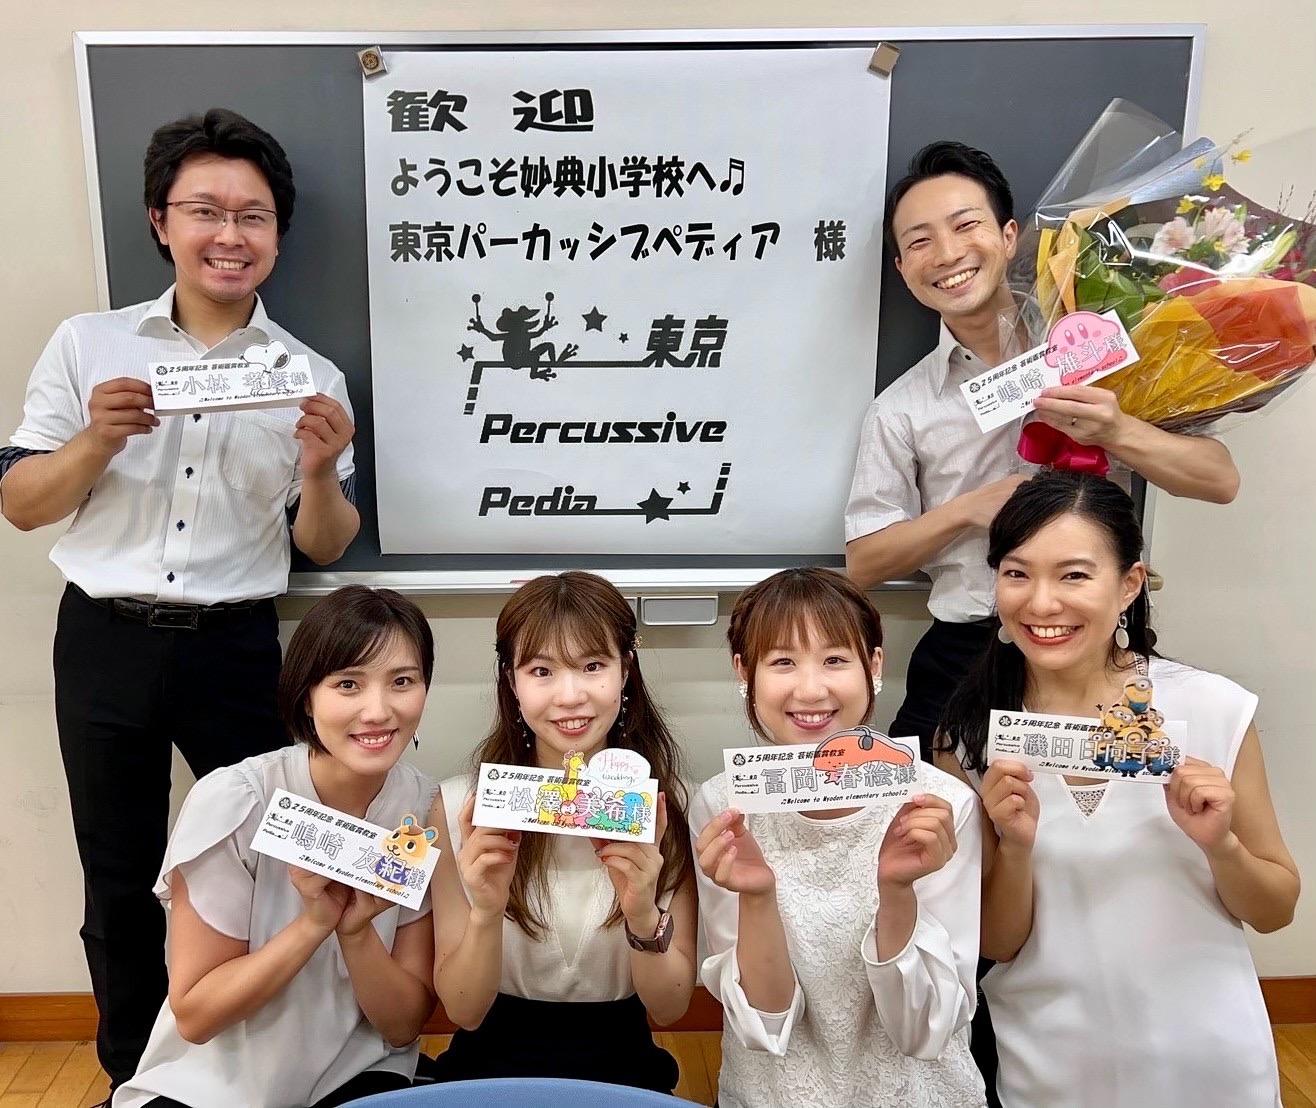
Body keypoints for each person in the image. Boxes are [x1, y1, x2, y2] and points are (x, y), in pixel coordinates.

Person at [0, 108, 359, 1095]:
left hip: (236, 645)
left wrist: (319, 470)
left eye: (253, 215)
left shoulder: (308, 374)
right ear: (161, 221)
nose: (229, 234)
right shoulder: (90, 343)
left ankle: (274, 1064)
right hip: (103, 639)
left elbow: (324, 543)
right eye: (206, 210)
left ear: (278, 235)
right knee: (118, 873)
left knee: (275, 856)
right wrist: (95, 440)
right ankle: (134, 1075)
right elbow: (21, 505)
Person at [844, 140, 1241, 764]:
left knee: (1099, 808)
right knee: (922, 808)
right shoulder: (901, 407)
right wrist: (968, 510)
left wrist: (1116, 429)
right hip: (965, 650)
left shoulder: (1106, 347)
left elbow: (1219, 481)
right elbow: (864, 562)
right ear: (902, 267)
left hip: (1091, 639)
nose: (946, 254)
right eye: (920, 241)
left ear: (1010, 237)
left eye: (965, 225)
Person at [934, 472, 1299, 1108]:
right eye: (1017, 573)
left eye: (1074, 575)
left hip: (1210, 1059)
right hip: (1051, 1066)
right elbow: (997, 943)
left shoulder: (1212, 709)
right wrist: (1015, 846)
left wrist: (1222, 846)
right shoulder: (968, 739)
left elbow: (1274, 911)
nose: (1042, 603)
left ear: (1128, 584)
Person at [113, 586, 440, 1108]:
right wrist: (313, 923)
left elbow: (401, 1027)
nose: (378, 710)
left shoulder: (423, 811)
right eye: (348, 684)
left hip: (356, 1075)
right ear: (306, 695)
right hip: (212, 1084)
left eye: (402, 681)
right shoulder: (237, 800)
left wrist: (356, 932)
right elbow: (196, 1016)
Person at [690, 567, 985, 1108]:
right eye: (782, 662)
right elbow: (765, 1028)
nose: (811, 690)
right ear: (744, 671)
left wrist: (897, 892)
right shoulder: (722, 807)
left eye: (834, 660)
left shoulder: (940, 806)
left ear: (874, 665)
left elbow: (926, 1033)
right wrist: (757, 896)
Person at [424, 571, 698, 1092]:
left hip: (624, 1072)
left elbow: (670, 1009)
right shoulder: (462, 808)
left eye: (593, 666)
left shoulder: (665, 805)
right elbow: (463, 1011)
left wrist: (642, 912)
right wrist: (487, 911)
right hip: (489, 1071)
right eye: (541, 671)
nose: (570, 696)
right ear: (511, 682)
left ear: (626, 670)